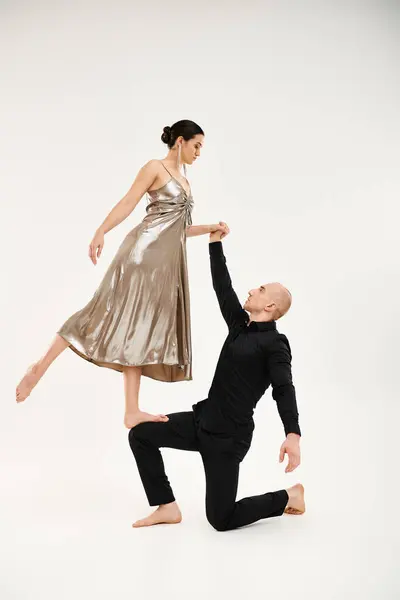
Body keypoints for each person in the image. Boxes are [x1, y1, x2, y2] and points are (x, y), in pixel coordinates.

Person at [16, 119, 229, 429]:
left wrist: (211, 227)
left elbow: (178, 230)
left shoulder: (186, 183)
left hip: (165, 267)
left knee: (139, 332)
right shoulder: (155, 167)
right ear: (180, 141)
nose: (199, 153)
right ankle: (39, 367)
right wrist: (101, 230)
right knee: (99, 313)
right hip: (140, 256)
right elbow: (128, 202)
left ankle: (131, 411)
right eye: (196, 145)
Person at [128, 225, 305, 530]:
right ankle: (167, 506)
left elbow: (283, 388)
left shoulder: (275, 344)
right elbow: (223, 287)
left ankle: (289, 496)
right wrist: (214, 245)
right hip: (202, 422)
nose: (252, 290)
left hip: (228, 439)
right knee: (141, 435)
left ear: (270, 306)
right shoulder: (239, 325)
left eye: (260, 290)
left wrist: (293, 433)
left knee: (221, 519)